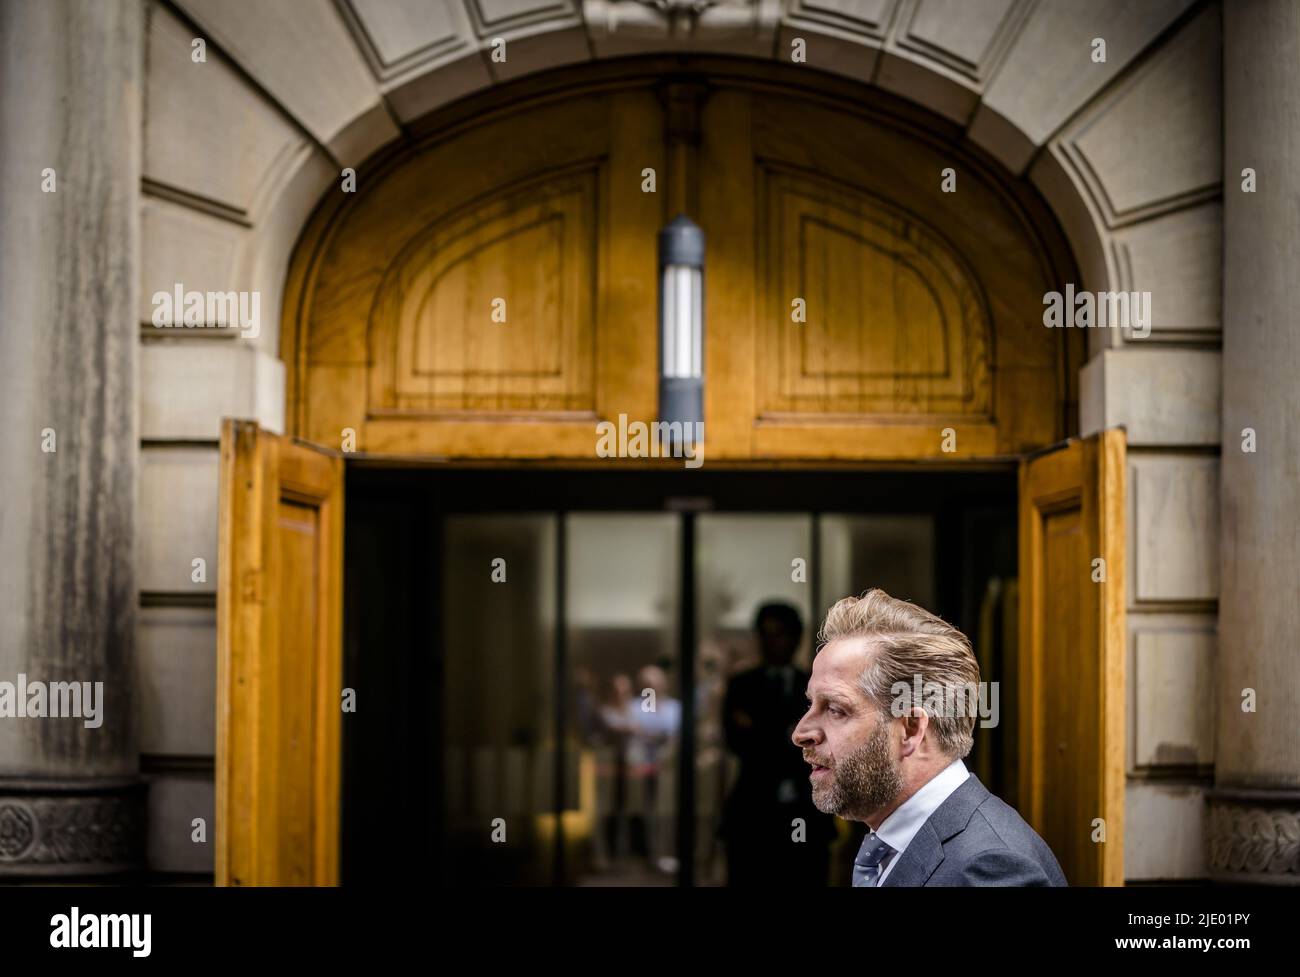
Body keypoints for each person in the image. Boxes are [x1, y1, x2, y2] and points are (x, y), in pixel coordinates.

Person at [793, 589, 1067, 886]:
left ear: (911, 729)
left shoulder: (990, 868)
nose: (801, 733)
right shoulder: (894, 841)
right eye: (811, 705)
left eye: (835, 709)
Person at [720, 602, 837, 886]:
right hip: (752, 814)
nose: (772, 641)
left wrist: (763, 731)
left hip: (806, 812)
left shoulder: (815, 685)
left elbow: (824, 744)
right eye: (766, 633)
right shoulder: (741, 684)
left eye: (780, 633)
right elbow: (737, 743)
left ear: (796, 637)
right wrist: (786, 738)